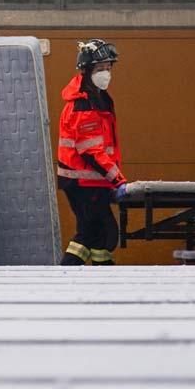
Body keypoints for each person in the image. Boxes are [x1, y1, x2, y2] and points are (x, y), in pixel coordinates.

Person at [56, 39, 127, 266]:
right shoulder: (83, 104)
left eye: (108, 68)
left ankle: (102, 273)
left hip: (92, 181)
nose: (106, 74)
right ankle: (67, 273)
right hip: (82, 182)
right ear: (87, 71)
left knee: (101, 234)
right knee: (92, 232)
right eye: (100, 69)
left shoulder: (98, 99)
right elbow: (90, 150)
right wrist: (117, 180)